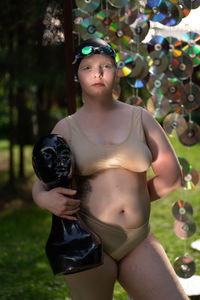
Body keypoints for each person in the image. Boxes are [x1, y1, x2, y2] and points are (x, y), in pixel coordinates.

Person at [32, 38, 189, 300]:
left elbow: (171, 177)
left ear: (116, 72)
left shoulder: (140, 118)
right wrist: (45, 199)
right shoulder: (66, 128)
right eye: (88, 67)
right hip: (86, 239)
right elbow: (42, 184)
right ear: (77, 76)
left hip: (137, 239)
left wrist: (133, 198)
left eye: (106, 65)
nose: (98, 73)